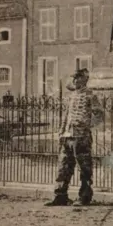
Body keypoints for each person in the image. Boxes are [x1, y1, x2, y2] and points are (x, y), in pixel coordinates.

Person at [45, 68, 103, 207]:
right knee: (63, 166)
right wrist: (61, 131)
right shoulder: (72, 96)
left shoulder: (91, 95)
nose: (75, 80)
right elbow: (66, 115)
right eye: (74, 78)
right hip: (68, 136)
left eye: (78, 78)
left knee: (84, 168)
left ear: (85, 79)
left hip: (81, 136)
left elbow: (99, 115)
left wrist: (86, 126)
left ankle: (84, 197)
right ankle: (60, 196)